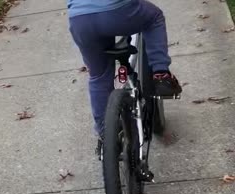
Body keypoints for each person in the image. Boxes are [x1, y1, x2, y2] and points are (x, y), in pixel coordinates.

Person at [67, 0, 182, 153]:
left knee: (99, 77)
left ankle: (106, 133)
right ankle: (161, 74)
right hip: (118, 11)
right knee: (155, 17)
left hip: (80, 19)